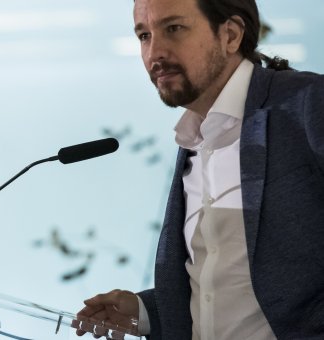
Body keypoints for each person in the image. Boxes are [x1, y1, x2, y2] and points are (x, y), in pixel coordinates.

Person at [75, 0, 324, 338]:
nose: (155, 52)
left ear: (231, 35)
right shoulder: (192, 144)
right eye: (144, 35)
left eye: (174, 28)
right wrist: (147, 311)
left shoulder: (307, 103)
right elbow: (235, 294)